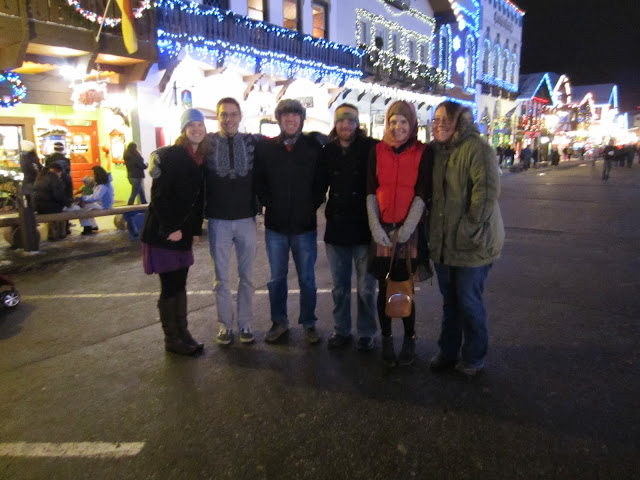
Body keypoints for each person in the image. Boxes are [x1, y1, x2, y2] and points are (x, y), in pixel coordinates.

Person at [428, 101, 504, 377]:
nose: (439, 124)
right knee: (450, 301)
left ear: (458, 121)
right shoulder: (434, 152)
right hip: (444, 243)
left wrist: (468, 230)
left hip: (474, 243)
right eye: (435, 119)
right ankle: (448, 351)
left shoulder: (476, 148)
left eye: (445, 119)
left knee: (469, 301)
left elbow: (486, 193)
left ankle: (474, 356)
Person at [253, 99, 327, 344]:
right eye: (285, 115)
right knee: (277, 279)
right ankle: (279, 322)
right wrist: (270, 203)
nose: (290, 119)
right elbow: (258, 181)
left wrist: (310, 205)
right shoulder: (266, 149)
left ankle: (309, 323)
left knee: (307, 279)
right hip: (275, 227)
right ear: (279, 120)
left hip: (304, 227)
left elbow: (321, 182)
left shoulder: (313, 147)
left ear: (301, 119)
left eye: (295, 115)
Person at [366, 100, 432, 367]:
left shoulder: (422, 152)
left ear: (412, 123)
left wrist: (407, 228)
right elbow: (371, 190)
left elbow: (422, 192)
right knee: (384, 287)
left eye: (403, 121)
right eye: (393, 121)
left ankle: (409, 339)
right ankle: (386, 340)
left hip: (409, 231)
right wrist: (375, 226)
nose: (398, 126)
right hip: (383, 229)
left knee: (404, 288)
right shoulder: (377, 151)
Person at [140, 108, 209, 356]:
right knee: (170, 286)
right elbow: (159, 196)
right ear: (183, 130)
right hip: (164, 233)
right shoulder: (172, 155)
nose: (196, 129)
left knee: (180, 284)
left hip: (182, 233)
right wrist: (172, 228)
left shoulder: (199, 157)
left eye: (200, 125)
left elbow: (197, 199)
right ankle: (172, 339)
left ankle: (183, 333)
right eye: (191, 125)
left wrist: (194, 229)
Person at [206, 97, 263, 345]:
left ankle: (245, 323)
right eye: (223, 114)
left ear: (240, 117)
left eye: (233, 114)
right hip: (218, 220)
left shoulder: (253, 142)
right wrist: (158, 156)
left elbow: (281, 146)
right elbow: (181, 149)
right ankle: (225, 325)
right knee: (221, 278)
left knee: (247, 276)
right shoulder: (207, 143)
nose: (228, 119)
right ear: (218, 117)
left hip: (246, 220)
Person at [323, 103, 378, 351]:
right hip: (336, 228)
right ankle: (341, 329)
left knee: (366, 288)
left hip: (364, 228)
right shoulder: (327, 151)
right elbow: (317, 184)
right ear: (335, 124)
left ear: (357, 124)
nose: (345, 125)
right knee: (339, 287)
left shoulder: (370, 148)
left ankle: (366, 332)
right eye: (341, 120)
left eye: (350, 120)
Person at [32, 164, 68, 241]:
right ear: (58, 172)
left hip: (39, 208)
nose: (60, 176)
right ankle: (58, 233)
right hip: (51, 208)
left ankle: (53, 232)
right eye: (60, 174)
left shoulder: (40, 177)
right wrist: (66, 203)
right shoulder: (53, 177)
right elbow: (58, 195)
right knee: (64, 211)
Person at [77, 166, 114, 235]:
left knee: (81, 208)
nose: (92, 176)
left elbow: (96, 197)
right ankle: (93, 226)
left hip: (104, 205)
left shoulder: (103, 185)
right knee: (87, 208)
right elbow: (95, 196)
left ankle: (87, 227)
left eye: (93, 174)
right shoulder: (103, 183)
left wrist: (82, 198)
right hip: (101, 203)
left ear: (98, 175)